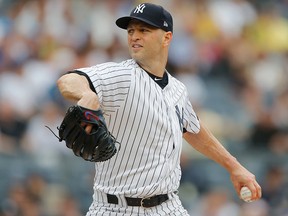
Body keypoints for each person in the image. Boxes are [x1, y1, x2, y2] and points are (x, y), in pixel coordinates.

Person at [57, 3, 262, 215]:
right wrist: (87, 94)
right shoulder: (122, 76)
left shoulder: (177, 89)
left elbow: (192, 129)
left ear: (166, 37)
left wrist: (234, 166)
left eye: (144, 30)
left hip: (168, 206)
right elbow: (68, 80)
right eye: (131, 31)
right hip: (115, 207)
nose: (134, 36)